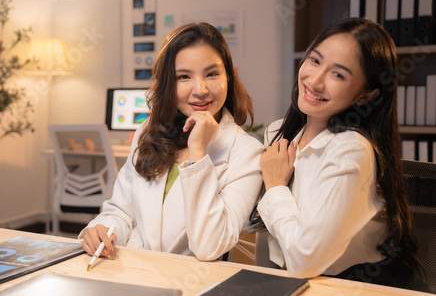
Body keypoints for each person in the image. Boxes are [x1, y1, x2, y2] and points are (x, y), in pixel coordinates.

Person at [251, 17, 428, 291]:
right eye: (315, 60)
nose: (315, 81)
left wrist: (275, 186)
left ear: (365, 95)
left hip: (348, 287)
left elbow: (303, 261)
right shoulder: (279, 132)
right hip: (293, 284)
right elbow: (271, 239)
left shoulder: (351, 151)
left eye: (338, 75)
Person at [80, 22, 263, 261]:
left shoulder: (247, 153)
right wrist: (103, 229)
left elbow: (210, 246)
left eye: (212, 74)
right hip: (132, 273)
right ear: (168, 84)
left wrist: (198, 153)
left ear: (228, 76)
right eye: (184, 76)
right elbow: (122, 211)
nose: (200, 89)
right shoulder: (149, 131)